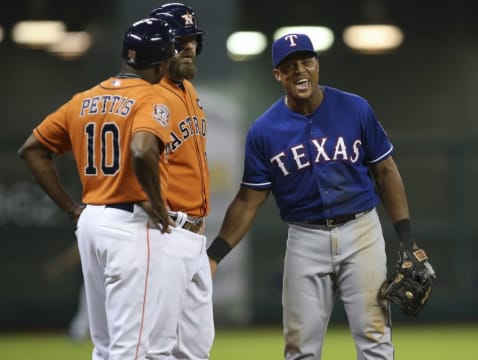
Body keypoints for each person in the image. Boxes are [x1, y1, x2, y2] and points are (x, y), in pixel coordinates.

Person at [207, 33, 421, 360]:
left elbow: (386, 172)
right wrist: (215, 254)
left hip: (361, 231)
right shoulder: (264, 131)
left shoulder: (355, 109)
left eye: (306, 61)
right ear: (278, 74)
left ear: (317, 65)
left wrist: (406, 238)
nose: (299, 70)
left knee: (375, 338)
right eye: (289, 66)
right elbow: (249, 199)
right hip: (305, 237)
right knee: (299, 347)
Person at [18, 17, 206, 360]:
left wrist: (71, 208)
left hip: (91, 222)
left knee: (104, 347)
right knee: (133, 350)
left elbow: (31, 149)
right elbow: (141, 149)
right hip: (130, 225)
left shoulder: (84, 98)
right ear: (163, 60)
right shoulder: (152, 98)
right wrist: (154, 198)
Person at [146, 3, 214, 359]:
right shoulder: (151, 94)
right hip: (165, 231)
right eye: (178, 40)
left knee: (195, 348)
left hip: (195, 237)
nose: (187, 46)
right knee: (157, 346)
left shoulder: (187, 91)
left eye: (191, 40)